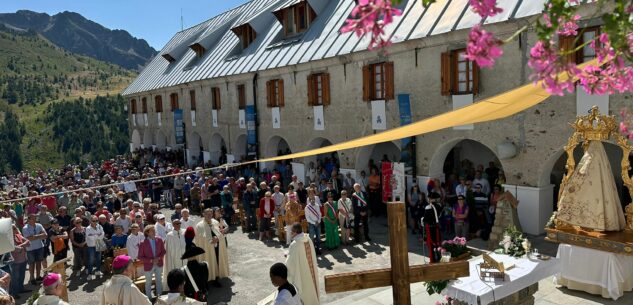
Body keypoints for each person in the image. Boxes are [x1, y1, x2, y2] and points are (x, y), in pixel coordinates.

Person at [285, 223, 319, 305]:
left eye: (291, 232)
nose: (290, 233)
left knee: (304, 294)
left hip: (302, 273)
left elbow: (289, 264)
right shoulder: (308, 239)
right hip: (311, 271)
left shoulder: (295, 244)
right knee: (312, 291)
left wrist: (288, 255)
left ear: (296, 232)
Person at [138, 224, 166, 299]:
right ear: (147, 233)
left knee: (159, 281)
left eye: (154, 230)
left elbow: (163, 251)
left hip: (159, 264)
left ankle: (160, 298)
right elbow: (140, 257)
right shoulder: (143, 242)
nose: (154, 231)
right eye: (152, 230)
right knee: (148, 283)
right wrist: (151, 260)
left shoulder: (159, 240)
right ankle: (149, 299)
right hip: (148, 265)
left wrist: (158, 258)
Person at [193, 209, 218, 282]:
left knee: (215, 262)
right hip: (205, 248)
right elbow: (200, 238)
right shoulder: (199, 225)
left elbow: (219, 232)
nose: (209, 215)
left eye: (211, 214)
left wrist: (218, 238)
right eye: (207, 214)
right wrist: (210, 240)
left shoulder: (215, 222)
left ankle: (215, 278)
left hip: (216, 246)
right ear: (203, 214)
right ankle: (207, 280)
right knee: (207, 263)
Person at [23, 214, 47, 285]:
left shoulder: (39, 225)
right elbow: (29, 238)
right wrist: (39, 235)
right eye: (33, 219)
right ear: (29, 219)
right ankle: (32, 278)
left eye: (35, 218)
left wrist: (34, 236)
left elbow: (45, 235)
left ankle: (38, 276)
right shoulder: (25, 228)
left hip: (39, 247)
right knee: (31, 264)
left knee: (39, 262)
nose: (34, 220)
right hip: (30, 249)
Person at [163, 219, 185, 287]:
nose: (178, 225)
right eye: (176, 224)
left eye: (179, 223)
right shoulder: (169, 235)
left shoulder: (184, 232)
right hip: (175, 258)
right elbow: (168, 251)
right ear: (173, 225)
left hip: (184, 258)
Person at [10, 224, 29, 297]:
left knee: (22, 275)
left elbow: (28, 242)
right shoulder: (8, 239)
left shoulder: (18, 236)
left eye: (15, 228)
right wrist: (22, 246)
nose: (15, 229)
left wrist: (20, 246)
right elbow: (13, 248)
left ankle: (21, 289)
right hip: (15, 261)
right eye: (13, 228)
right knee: (15, 278)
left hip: (23, 259)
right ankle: (14, 294)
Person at [423, 193, 443, 263]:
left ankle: (433, 260)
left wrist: (422, 219)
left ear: (430, 199)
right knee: (438, 243)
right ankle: (439, 258)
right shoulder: (439, 206)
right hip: (437, 227)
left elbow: (426, 219)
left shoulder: (428, 207)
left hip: (431, 228)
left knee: (431, 245)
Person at [211, 208, 230, 279]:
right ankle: (217, 273)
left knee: (223, 254)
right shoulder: (211, 221)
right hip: (216, 241)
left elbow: (227, 227)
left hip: (223, 239)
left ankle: (222, 270)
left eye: (219, 211)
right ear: (214, 213)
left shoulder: (221, 219)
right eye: (217, 211)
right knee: (217, 255)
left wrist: (224, 229)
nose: (219, 212)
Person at [86, 215, 105, 280]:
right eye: (94, 221)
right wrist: (98, 235)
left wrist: (95, 235)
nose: (95, 222)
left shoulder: (99, 226)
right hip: (91, 246)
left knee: (98, 259)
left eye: (96, 220)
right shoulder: (88, 228)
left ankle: (98, 271)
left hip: (98, 244)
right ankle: (90, 274)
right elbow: (90, 238)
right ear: (90, 221)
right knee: (91, 260)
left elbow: (102, 234)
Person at [304, 188, 322, 255]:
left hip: (318, 223)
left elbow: (320, 214)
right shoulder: (307, 207)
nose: (313, 200)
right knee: (312, 237)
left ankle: (318, 248)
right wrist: (314, 223)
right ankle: (312, 249)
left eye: (314, 199)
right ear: (309, 200)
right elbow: (307, 217)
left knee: (318, 237)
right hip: (311, 224)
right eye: (311, 199)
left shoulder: (317, 205)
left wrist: (319, 221)